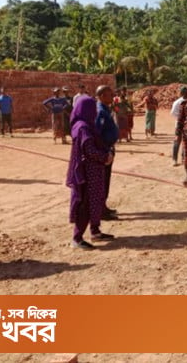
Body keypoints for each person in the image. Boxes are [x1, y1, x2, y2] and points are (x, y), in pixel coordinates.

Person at [66, 96, 115, 250]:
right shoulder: (82, 128)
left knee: (96, 199)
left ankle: (95, 231)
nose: (95, 112)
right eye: (92, 109)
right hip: (86, 173)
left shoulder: (88, 125)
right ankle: (77, 238)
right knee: (85, 202)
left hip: (95, 170)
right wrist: (105, 157)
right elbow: (89, 150)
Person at [96, 86, 120, 220]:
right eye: (109, 95)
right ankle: (100, 210)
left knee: (106, 180)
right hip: (104, 151)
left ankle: (103, 206)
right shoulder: (100, 111)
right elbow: (97, 134)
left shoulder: (106, 109)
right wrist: (105, 151)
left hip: (108, 149)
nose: (112, 97)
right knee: (102, 181)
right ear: (101, 96)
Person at [170, 86, 187, 166]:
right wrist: (180, 119)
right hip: (179, 124)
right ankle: (174, 159)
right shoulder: (178, 102)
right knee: (177, 141)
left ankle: (184, 158)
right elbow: (173, 113)